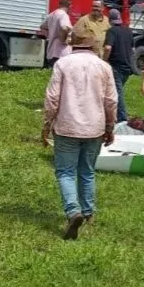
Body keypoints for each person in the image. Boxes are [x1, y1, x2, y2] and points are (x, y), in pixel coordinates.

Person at [43, 24, 117, 241]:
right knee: (87, 171)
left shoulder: (63, 64)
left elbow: (52, 98)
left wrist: (47, 124)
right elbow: (111, 101)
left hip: (67, 126)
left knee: (65, 172)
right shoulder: (104, 67)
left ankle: (72, 211)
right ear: (94, 44)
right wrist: (110, 127)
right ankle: (88, 212)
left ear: (72, 42)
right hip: (95, 127)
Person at [103, 9, 133, 123]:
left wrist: (104, 61)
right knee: (114, 91)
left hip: (116, 66)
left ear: (110, 20)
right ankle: (110, 113)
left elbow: (107, 48)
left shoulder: (111, 31)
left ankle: (122, 119)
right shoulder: (129, 31)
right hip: (127, 66)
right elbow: (133, 49)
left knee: (117, 93)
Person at [41, 0, 73, 67]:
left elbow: (42, 27)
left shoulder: (51, 14)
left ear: (59, 3)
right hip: (62, 53)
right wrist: (63, 40)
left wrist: (50, 36)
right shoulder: (63, 15)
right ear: (70, 5)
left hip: (51, 52)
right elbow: (64, 28)